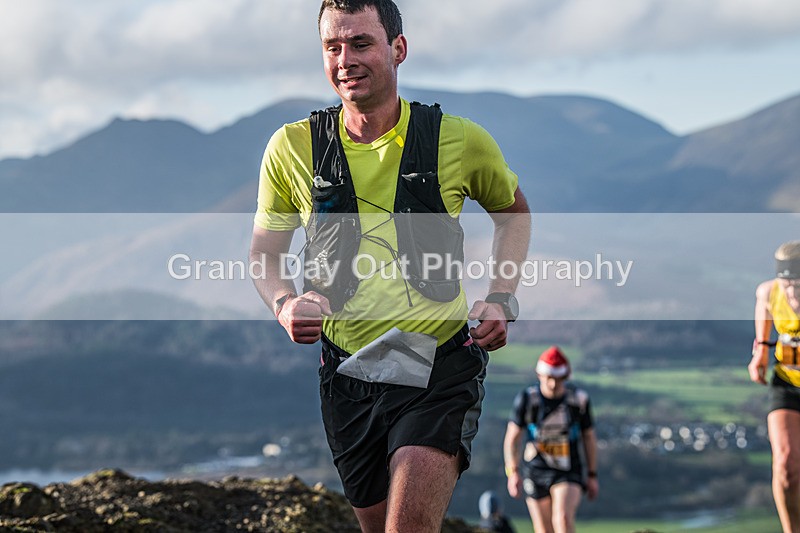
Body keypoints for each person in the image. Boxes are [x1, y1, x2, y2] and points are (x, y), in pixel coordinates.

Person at [249, 1, 531, 531]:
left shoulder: (459, 139)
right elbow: (264, 255)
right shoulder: (291, 148)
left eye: (360, 43)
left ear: (397, 49)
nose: (344, 59)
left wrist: (501, 296)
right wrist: (285, 304)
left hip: (439, 368)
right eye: (332, 47)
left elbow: (513, 214)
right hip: (347, 376)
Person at [503, 346, 598, 533]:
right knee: (543, 530)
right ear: (539, 375)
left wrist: (592, 474)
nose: (554, 384)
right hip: (535, 470)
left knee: (562, 519)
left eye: (559, 379)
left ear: (566, 377)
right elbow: (512, 438)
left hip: (568, 470)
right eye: (549, 379)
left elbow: (589, 437)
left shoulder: (578, 401)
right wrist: (512, 471)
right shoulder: (527, 400)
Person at [749, 240, 800, 533]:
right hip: (787, 383)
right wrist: (762, 349)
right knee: (786, 466)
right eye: (787, 284)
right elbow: (763, 301)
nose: (792, 293)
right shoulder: (771, 291)